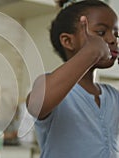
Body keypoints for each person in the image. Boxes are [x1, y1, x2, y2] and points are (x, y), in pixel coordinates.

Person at [26, 0, 119, 157]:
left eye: (117, 34)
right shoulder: (50, 85)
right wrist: (90, 53)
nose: (113, 40)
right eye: (102, 33)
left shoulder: (113, 96)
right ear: (68, 41)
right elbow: (36, 104)